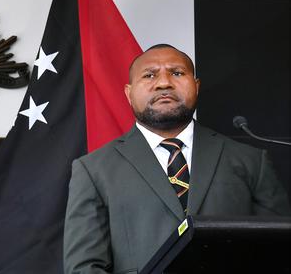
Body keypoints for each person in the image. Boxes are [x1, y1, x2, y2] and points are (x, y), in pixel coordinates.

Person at [63, 44, 290, 274]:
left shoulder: (250, 160)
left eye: (177, 73)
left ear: (197, 86)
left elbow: (280, 251)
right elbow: (84, 268)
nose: (164, 83)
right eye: (149, 75)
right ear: (129, 93)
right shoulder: (93, 170)